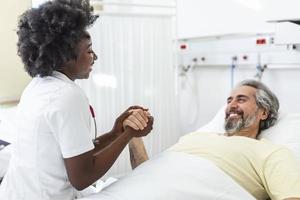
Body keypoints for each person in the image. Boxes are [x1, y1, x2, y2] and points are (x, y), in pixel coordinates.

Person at [0, 0, 153, 199]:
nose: (94, 56)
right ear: (65, 57)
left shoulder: (37, 86)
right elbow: (82, 176)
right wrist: (129, 135)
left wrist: (116, 132)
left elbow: (75, 153)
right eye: (88, 50)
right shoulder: (66, 96)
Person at [130, 79, 300, 200]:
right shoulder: (195, 138)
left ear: (263, 112)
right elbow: (146, 176)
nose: (231, 105)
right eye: (229, 100)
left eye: (241, 99)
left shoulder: (271, 152)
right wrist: (131, 136)